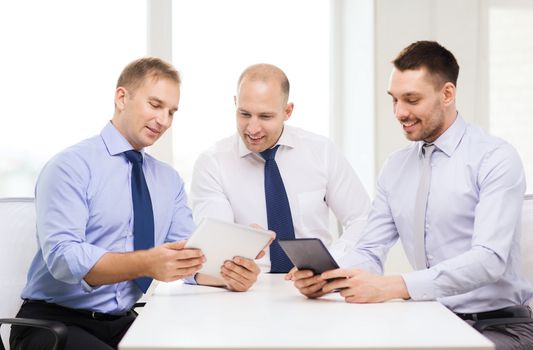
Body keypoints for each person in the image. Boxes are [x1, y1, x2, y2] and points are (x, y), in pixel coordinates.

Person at [10, 57, 267, 350]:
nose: (164, 121)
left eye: (172, 112)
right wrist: (146, 263)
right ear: (122, 98)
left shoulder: (167, 180)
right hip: (55, 324)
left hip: (124, 321)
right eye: (155, 105)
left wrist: (229, 272)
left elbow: (191, 253)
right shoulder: (71, 166)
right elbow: (64, 259)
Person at [290, 41, 533, 348]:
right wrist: (331, 279)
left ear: (447, 94)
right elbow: (369, 249)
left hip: (498, 326)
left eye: (412, 99)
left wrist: (396, 286)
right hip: (430, 319)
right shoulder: (396, 167)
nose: (400, 112)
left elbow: (489, 260)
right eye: (394, 100)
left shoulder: (495, 158)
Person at [190, 63, 370, 276]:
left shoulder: (321, 151)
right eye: (245, 114)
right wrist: (241, 243)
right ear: (235, 103)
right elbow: (216, 242)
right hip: (246, 289)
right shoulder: (212, 163)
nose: (253, 128)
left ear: (287, 111)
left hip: (317, 284)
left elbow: (362, 218)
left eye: (265, 117)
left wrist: (331, 262)